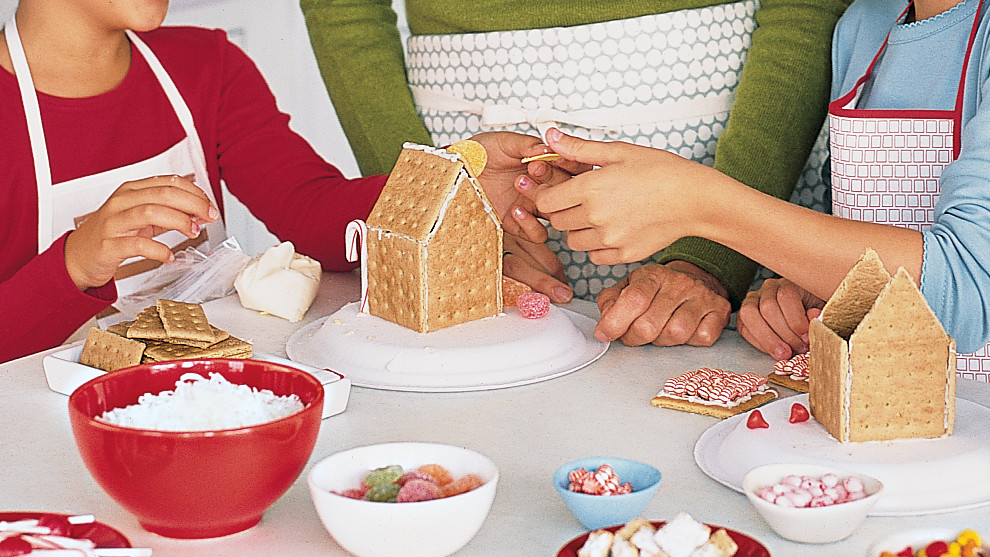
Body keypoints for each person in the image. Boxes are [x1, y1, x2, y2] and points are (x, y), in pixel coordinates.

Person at [0, 0, 552, 364]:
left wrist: (447, 185)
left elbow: (310, 211)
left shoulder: (205, 66)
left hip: (197, 401)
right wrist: (73, 264)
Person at [300, 0, 851, 348]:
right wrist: (440, 220)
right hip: (476, 178)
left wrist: (713, 258)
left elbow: (805, 7)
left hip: (744, 161)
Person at [516, 0, 990, 379]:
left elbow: (964, 294)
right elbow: (853, 233)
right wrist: (808, 289)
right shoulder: (864, 27)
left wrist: (698, 205)